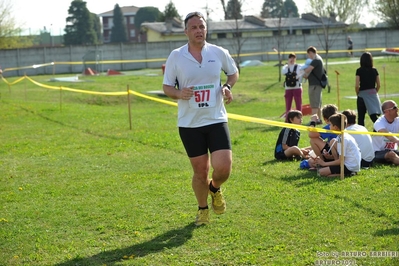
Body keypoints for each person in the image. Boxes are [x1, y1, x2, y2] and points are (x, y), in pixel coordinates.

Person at [162, 12, 239, 226]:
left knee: (223, 168)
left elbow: (233, 73)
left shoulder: (218, 52)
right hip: (190, 124)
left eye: (202, 27)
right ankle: (202, 209)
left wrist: (227, 86)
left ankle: (214, 188)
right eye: (194, 27)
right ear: (186, 31)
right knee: (200, 171)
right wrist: (179, 94)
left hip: (216, 118)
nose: (199, 30)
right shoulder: (176, 56)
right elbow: (167, 86)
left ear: (206, 29)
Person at [355, 52, 381, 126]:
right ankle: (381, 128)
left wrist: (358, 93)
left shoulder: (359, 70)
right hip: (372, 94)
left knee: (361, 118)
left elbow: (357, 85)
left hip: (362, 94)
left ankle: (361, 135)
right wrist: (375, 91)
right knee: (373, 115)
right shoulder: (374, 70)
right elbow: (379, 84)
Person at [372, 100, 399, 165]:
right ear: (387, 111)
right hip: (377, 152)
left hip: (393, 150)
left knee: (392, 153)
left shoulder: (397, 120)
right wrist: (398, 141)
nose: (397, 109)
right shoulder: (379, 123)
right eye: (395, 108)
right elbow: (387, 135)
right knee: (391, 154)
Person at [303, 46, 325, 123]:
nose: (309, 56)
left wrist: (302, 70)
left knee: (314, 104)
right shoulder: (320, 59)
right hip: (317, 84)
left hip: (314, 85)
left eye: (308, 54)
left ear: (311, 53)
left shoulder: (316, 60)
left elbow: (308, 70)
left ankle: (314, 120)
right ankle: (319, 119)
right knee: (318, 103)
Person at [281, 53, 302, 120]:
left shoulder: (298, 66)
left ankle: (299, 118)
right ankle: (288, 119)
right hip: (288, 88)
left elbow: (300, 73)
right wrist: (289, 65)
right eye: (290, 58)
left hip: (297, 87)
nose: (292, 59)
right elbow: (283, 72)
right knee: (288, 105)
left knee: (298, 104)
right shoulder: (285, 67)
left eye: (293, 58)